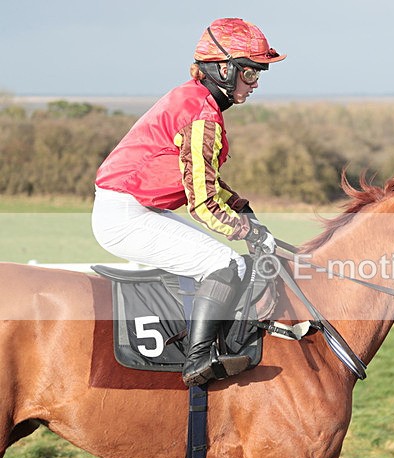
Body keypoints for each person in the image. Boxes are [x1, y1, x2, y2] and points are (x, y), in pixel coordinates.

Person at [92, 18, 285, 387]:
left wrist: (241, 208)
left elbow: (200, 175)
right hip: (127, 214)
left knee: (233, 265)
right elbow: (203, 205)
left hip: (139, 208)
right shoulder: (202, 115)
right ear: (224, 69)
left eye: (258, 74)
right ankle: (198, 361)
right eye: (250, 73)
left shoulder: (195, 101)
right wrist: (247, 231)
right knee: (224, 263)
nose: (256, 83)